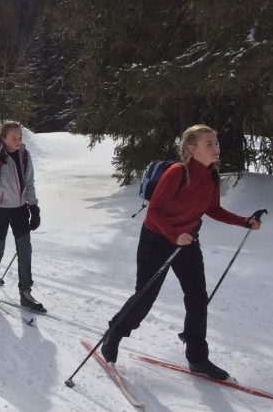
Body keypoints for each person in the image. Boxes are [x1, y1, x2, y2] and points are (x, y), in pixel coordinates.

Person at [100, 124, 263, 379]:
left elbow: (213, 209)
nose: (215, 148)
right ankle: (114, 335)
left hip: (187, 242)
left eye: (216, 143)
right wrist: (175, 235)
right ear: (191, 149)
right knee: (145, 295)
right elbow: (154, 212)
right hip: (156, 239)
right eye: (208, 143)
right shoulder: (178, 172)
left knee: (197, 298)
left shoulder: (211, 175)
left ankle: (198, 358)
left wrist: (243, 221)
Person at [0, 121, 44, 312]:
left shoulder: (25, 155)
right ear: (4, 139)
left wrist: (34, 207)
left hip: (20, 208)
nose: (18, 141)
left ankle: (25, 291)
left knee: (25, 249)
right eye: (13, 138)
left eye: (20, 137)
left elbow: (29, 182)